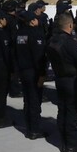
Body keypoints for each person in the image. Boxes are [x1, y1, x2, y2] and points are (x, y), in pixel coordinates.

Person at [45, 13, 77, 152]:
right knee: (72, 112)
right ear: (70, 25)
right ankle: (71, 144)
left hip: (60, 79)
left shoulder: (53, 39)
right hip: (72, 81)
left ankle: (64, 140)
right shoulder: (70, 41)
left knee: (63, 110)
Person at [15, 10, 47, 139]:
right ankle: (34, 130)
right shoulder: (36, 34)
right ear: (32, 21)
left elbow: (15, 53)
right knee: (34, 101)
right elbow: (39, 56)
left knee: (27, 100)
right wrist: (42, 74)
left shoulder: (18, 34)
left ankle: (29, 127)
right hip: (33, 71)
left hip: (23, 70)